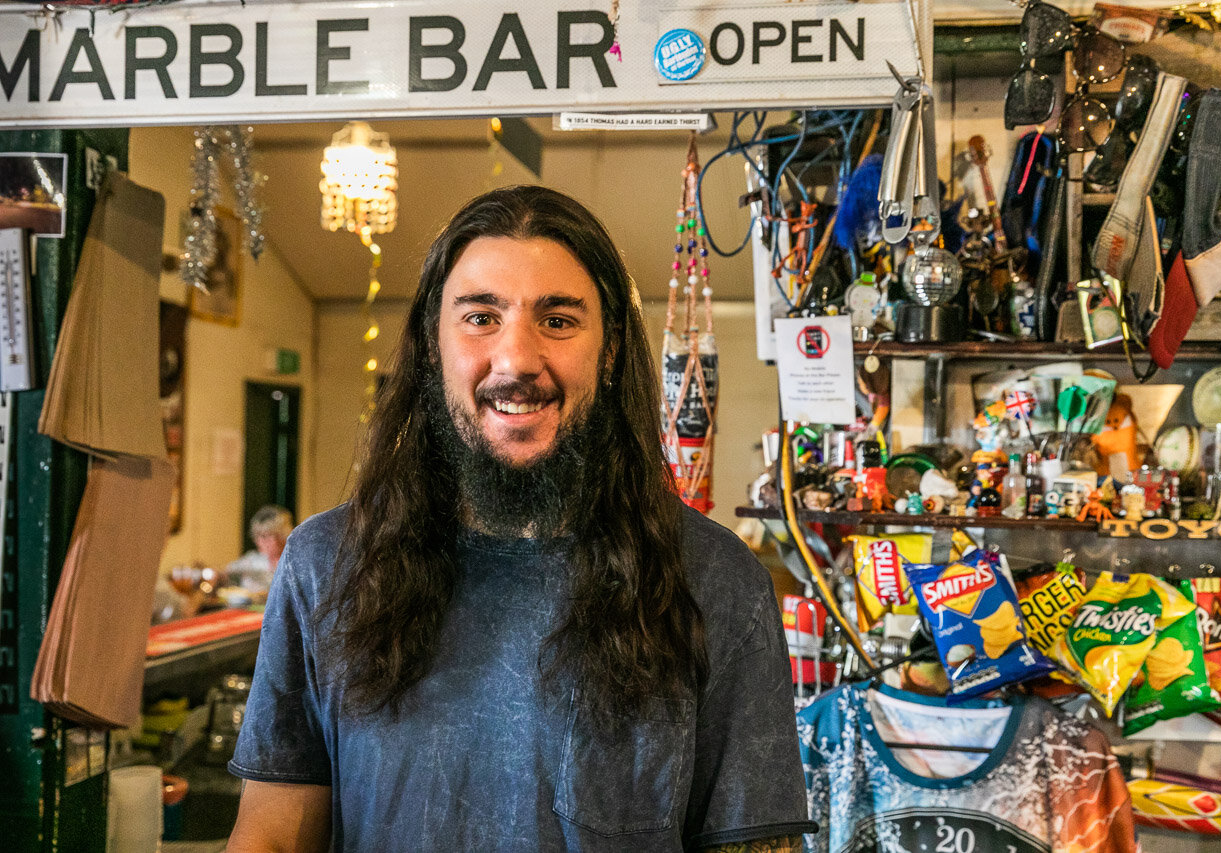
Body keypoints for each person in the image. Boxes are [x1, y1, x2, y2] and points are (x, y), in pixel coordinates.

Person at [225, 186, 814, 852]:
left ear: (611, 347)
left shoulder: (716, 580)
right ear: (429, 343)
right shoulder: (325, 565)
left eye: (558, 320)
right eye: (481, 317)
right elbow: (271, 835)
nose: (516, 360)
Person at [224, 505, 294, 593]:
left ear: (282, 536)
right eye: (257, 536)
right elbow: (227, 573)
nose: (259, 541)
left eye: (265, 536)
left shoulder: (295, 563)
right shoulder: (252, 560)